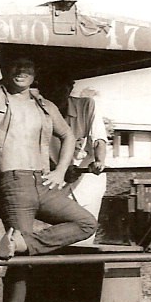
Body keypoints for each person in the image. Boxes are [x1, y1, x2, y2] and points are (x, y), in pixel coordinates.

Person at [0, 55, 97, 302]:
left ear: (35, 73)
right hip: (13, 182)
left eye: (28, 67)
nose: (21, 71)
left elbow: (68, 135)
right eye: (16, 66)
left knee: (85, 222)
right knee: (21, 261)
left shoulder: (44, 104)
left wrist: (60, 170)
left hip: (43, 181)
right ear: (5, 71)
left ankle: (25, 243)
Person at [40, 75, 108, 245]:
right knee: (57, 234)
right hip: (53, 181)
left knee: (84, 234)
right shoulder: (37, 111)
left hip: (86, 181)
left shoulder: (87, 105)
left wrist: (99, 161)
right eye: (50, 88)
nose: (56, 92)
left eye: (61, 87)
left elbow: (99, 139)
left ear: (70, 88)